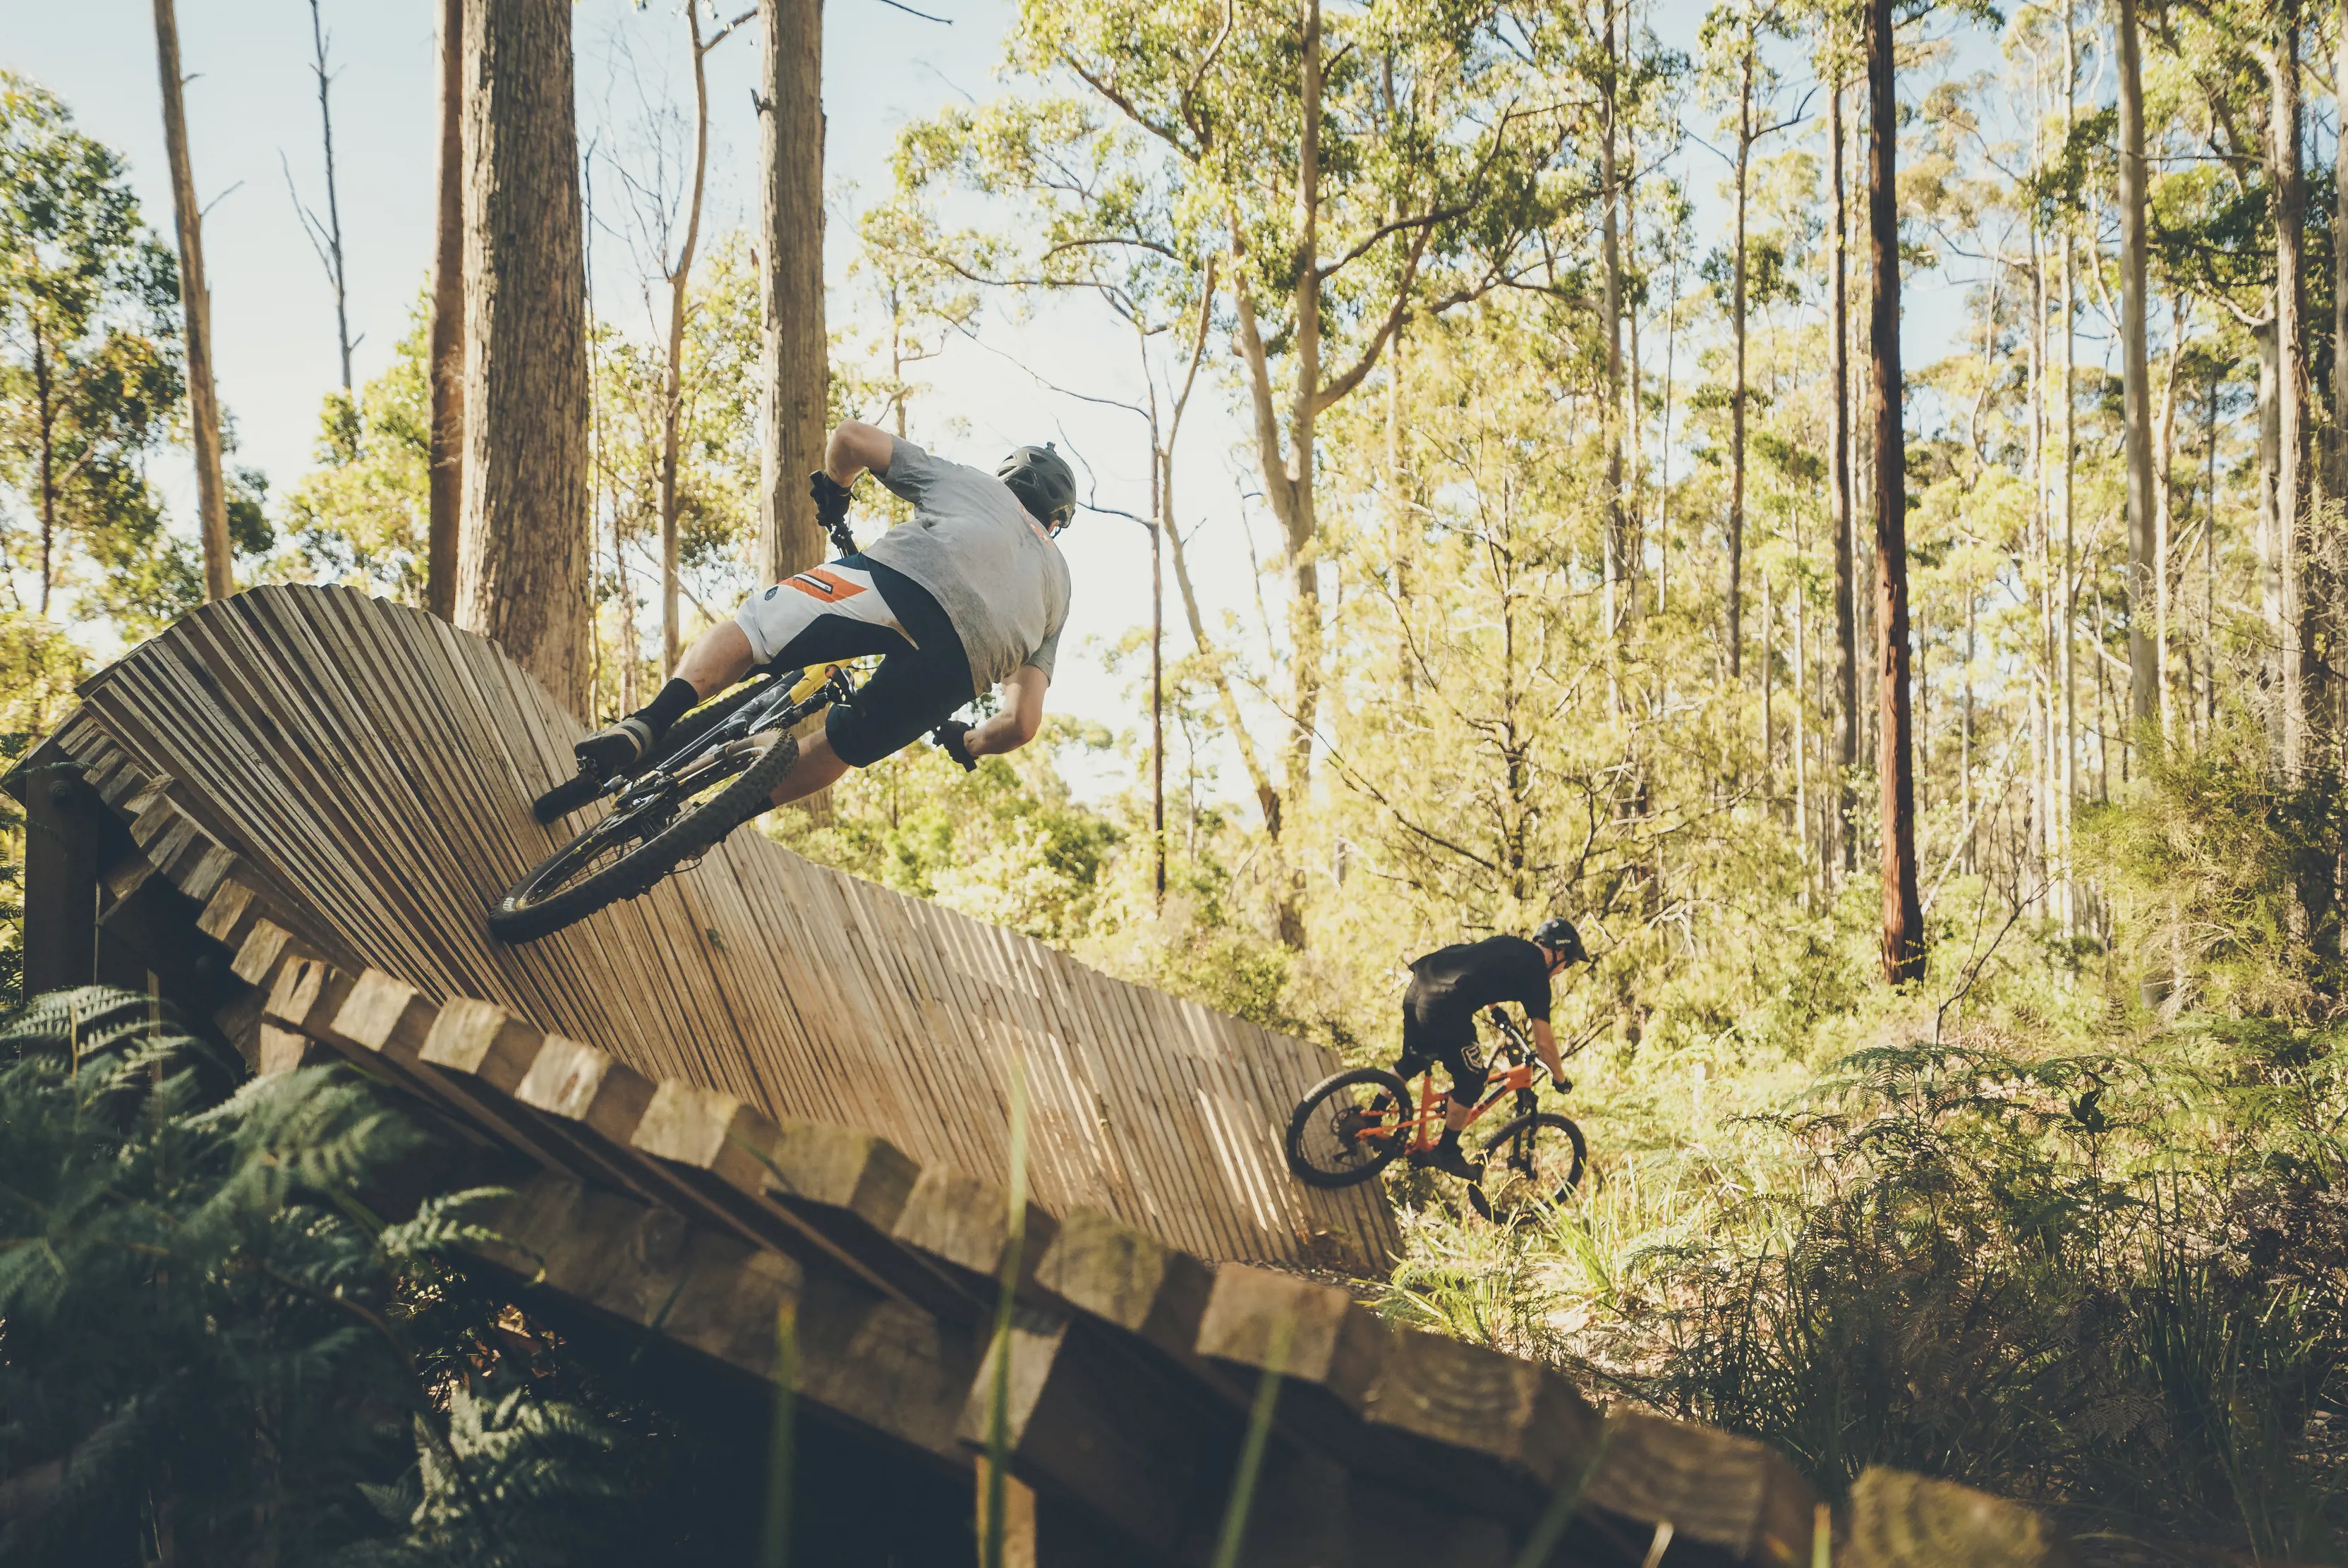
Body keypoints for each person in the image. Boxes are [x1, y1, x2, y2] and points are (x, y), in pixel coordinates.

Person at [571, 420, 1075, 809]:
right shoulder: (1060, 585)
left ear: (1006, 477)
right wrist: (969, 742)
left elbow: (851, 438)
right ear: (1055, 522)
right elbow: (1021, 722)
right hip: (959, 666)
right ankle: (717, 822)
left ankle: (645, 725)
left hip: (898, 584)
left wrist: (836, 491)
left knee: (752, 631)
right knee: (843, 746)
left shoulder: (973, 484)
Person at [1396, 917, 1590, 1178]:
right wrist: (1560, 1078)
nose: (1561, 970)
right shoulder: (1536, 976)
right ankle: (1447, 1150)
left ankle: (1369, 1117)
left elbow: (1478, 969)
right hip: (1444, 1007)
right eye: (1567, 964)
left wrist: (1496, 1011)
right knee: (1473, 1080)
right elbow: (1544, 1042)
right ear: (1560, 952)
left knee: (1413, 1059)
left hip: (1419, 989)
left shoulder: (1510, 944)